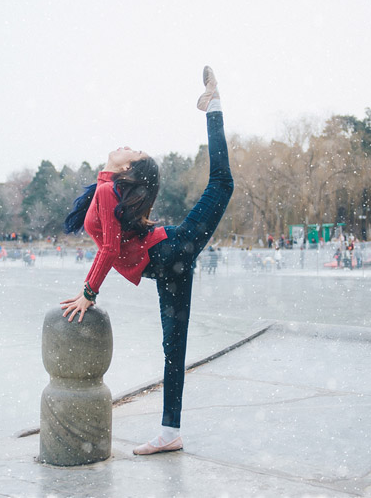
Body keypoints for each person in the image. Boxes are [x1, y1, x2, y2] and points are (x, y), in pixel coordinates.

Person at [60, 66, 234, 456]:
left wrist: (89, 293)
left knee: (223, 183)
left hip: (172, 250)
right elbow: (111, 243)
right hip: (166, 265)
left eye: (134, 152)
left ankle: (214, 104)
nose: (128, 145)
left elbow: (107, 249)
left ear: (124, 169)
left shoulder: (106, 191)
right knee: (174, 348)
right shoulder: (105, 189)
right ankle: (170, 432)